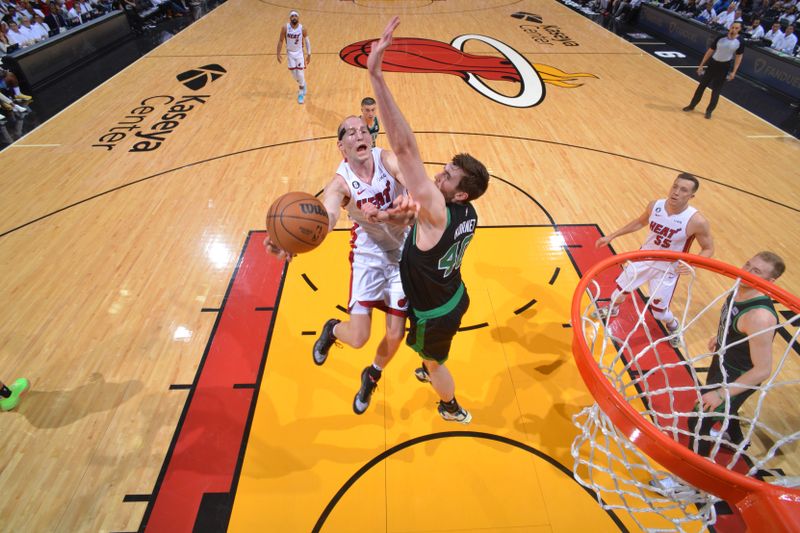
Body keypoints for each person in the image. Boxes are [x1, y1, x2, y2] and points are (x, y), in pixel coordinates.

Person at [367, 16, 490, 424]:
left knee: (435, 364)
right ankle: (431, 360)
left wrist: (377, 76)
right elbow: (422, 224)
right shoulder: (466, 212)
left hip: (436, 311)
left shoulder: (438, 207)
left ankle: (450, 405)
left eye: (448, 177)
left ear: (460, 193)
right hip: (452, 294)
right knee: (428, 349)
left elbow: (403, 149)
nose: (439, 175)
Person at [264, 116, 413, 415]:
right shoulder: (339, 183)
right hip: (368, 259)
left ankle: (372, 374)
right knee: (359, 338)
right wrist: (289, 242)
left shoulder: (385, 159)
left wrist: (409, 194)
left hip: (402, 255)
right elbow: (328, 218)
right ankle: (332, 330)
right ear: (341, 147)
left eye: (363, 130)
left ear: (370, 139)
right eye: (351, 132)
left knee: (396, 333)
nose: (359, 134)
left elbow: (407, 174)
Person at [594, 173, 715, 347]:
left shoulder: (696, 221)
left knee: (659, 313)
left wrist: (692, 264)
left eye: (683, 190)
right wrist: (611, 236)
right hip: (642, 258)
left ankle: (674, 327)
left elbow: (708, 249)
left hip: (667, 269)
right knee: (618, 293)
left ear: (691, 196)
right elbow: (639, 222)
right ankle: (613, 309)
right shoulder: (655, 206)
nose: (676, 192)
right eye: (675, 186)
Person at [687, 252, 785, 456]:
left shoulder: (760, 317)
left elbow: (762, 370)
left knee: (698, 421)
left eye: (756, 271)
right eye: (747, 264)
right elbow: (736, 325)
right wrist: (722, 335)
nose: (746, 272)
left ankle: (690, 483)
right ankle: (734, 436)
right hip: (723, 360)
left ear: (770, 281)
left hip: (739, 375)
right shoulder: (739, 289)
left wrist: (721, 393)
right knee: (722, 410)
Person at [682, 21, 743, 119]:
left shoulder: (740, 42)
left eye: (736, 28)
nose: (734, 30)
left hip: (724, 66)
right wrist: (701, 65)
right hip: (713, 64)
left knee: (716, 90)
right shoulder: (720, 38)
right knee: (701, 86)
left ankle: (709, 111)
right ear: (730, 27)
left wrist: (734, 72)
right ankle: (692, 105)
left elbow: (739, 57)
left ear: (739, 30)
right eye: (733, 27)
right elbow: (710, 51)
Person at [276, 10, 310, 104]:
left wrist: (309, 54)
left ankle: (300, 93)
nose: (294, 17)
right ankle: (303, 84)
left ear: (298, 18)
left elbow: (307, 42)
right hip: (290, 53)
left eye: (295, 16)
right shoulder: (285, 28)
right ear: (290, 18)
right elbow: (280, 40)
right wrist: (278, 53)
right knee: (294, 75)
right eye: (292, 16)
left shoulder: (302, 28)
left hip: (299, 53)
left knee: (299, 73)